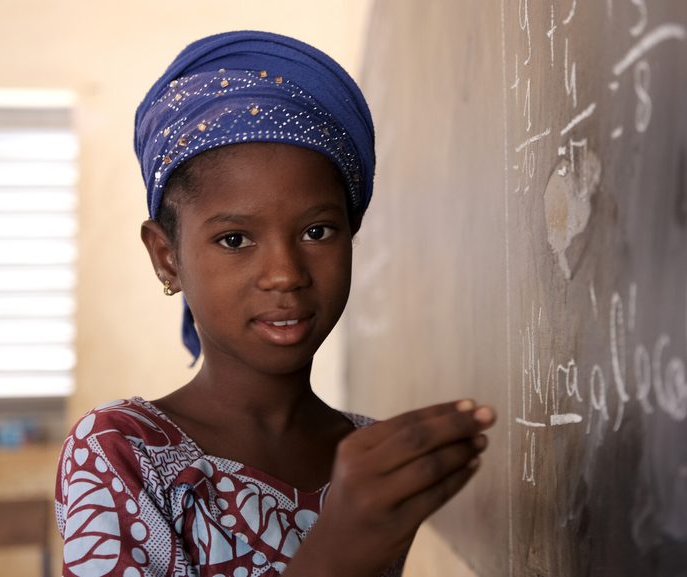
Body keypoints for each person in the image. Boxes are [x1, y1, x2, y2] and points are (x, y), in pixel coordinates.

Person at [54, 31, 496, 577]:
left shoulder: (370, 457)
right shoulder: (121, 451)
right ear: (167, 257)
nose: (286, 273)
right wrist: (339, 544)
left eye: (317, 230)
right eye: (235, 240)